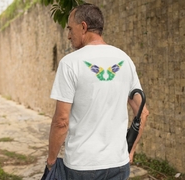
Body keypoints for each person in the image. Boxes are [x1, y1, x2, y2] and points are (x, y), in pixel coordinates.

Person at [46, 3, 149, 180]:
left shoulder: (70, 63)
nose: (69, 36)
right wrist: (130, 150)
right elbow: (143, 112)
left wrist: (51, 160)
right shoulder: (124, 59)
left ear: (84, 27)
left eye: (71, 29)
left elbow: (61, 121)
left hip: (82, 166)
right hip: (118, 163)